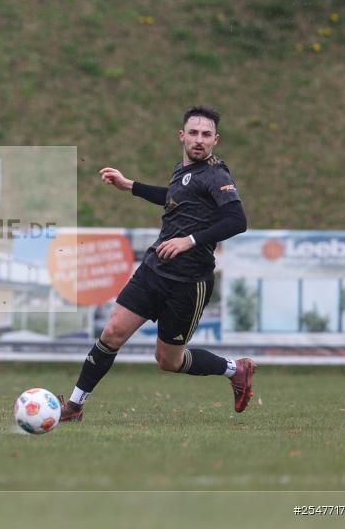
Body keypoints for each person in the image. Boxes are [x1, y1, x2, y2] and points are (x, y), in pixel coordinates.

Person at [58, 105, 253, 423]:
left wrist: (189, 240)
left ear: (216, 140)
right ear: (182, 136)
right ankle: (75, 406)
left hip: (189, 281)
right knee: (112, 332)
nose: (199, 140)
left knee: (168, 360)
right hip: (154, 270)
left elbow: (237, 220)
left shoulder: (217, 174)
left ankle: (235, 369)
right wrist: (130, 185)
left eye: (206, 135)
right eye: (193, 133)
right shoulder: (183, 170)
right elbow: (175, 197)